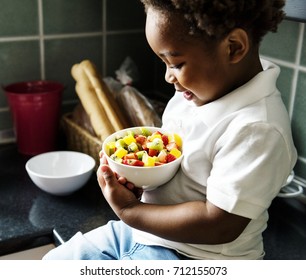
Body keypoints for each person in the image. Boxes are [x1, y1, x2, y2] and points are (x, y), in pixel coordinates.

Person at [43, 0, 297, 260]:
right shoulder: (193, 95)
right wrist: (139, 180)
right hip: (142, 233)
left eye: (175, 64)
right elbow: (181, 171)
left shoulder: (256, 129)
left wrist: (130, 211)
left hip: (195, 257)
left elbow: (220, 224)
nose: (168, 76)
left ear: (233, 48)